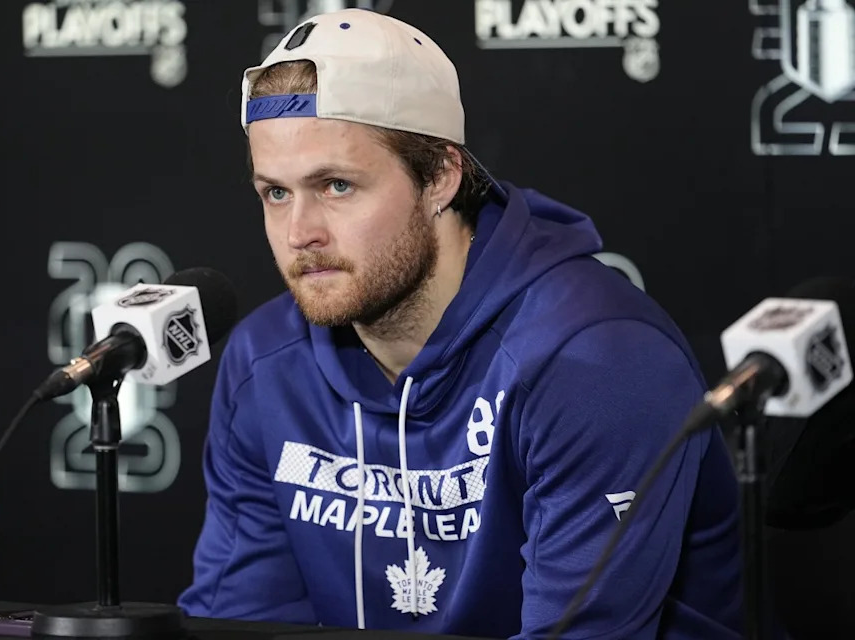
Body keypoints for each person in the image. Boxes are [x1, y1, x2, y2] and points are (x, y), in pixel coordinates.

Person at [178, 9, 743, 639]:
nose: (298, 233)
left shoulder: (594, 360)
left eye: (336, 186)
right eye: (276, 193)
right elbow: (242, 623)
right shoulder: (264, 363)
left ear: (441, 177)